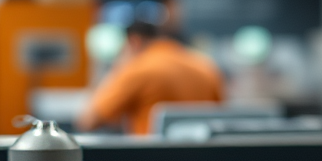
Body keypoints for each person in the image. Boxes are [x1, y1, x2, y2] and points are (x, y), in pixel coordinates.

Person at [76, 20, 224, 135]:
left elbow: (88, 121)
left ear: (134, 41)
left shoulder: (138, 68)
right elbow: (221, 116)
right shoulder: (205, 66)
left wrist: (118, 69)